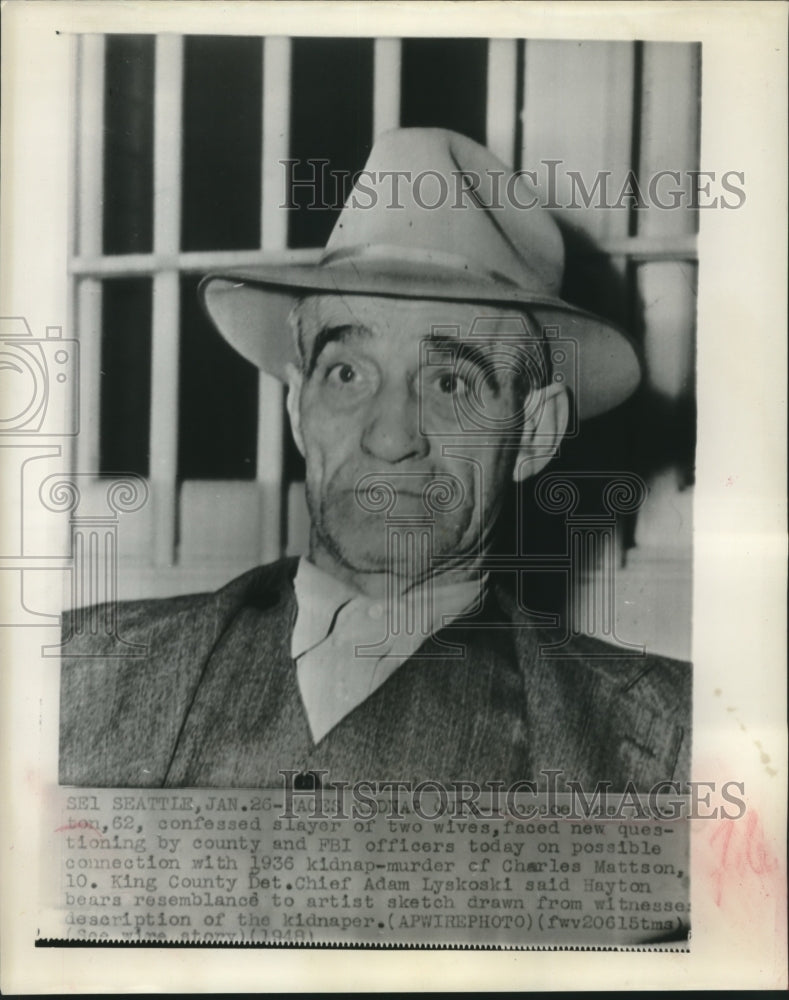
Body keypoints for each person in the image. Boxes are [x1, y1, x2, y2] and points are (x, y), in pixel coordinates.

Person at [59, 128, 691, 790]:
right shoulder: (68, 678)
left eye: (450, 384)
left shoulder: (660, 747)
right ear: (298, 406)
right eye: (347, 374)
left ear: (533, 432)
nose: (389, 438)